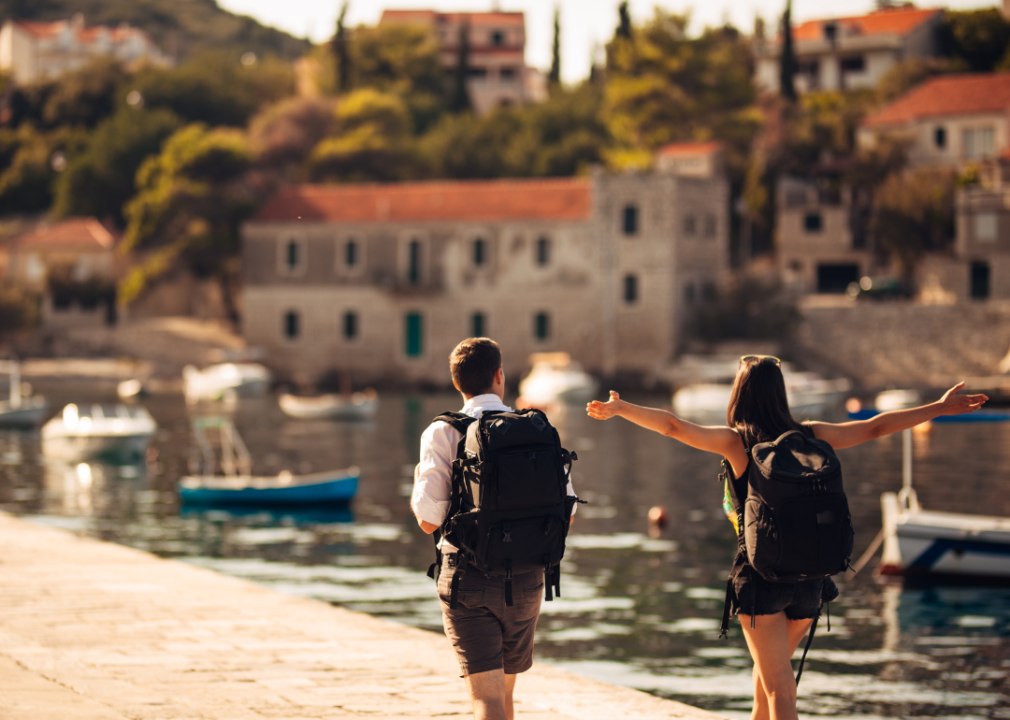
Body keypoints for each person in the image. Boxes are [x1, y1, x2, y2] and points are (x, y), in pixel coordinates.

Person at [586, 356, 987, 720]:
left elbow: (673, 426)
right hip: (810, 581)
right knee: (766, 686)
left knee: (780, 690)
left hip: (761, 580)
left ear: (740, 394)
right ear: (780, 393)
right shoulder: (811, 435)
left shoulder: (737, 443)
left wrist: (621, 409)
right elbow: (876, 426)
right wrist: (939, 407)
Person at [412, 337, 576, 720]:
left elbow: (428, 521)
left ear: (457, 383)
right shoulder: (533, 427)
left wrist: (417, 480)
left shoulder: (442, 432)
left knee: (486, 700)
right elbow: (566, 512)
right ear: (500, 376)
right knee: (504, 695)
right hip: (528, 580)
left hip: (469, 579)